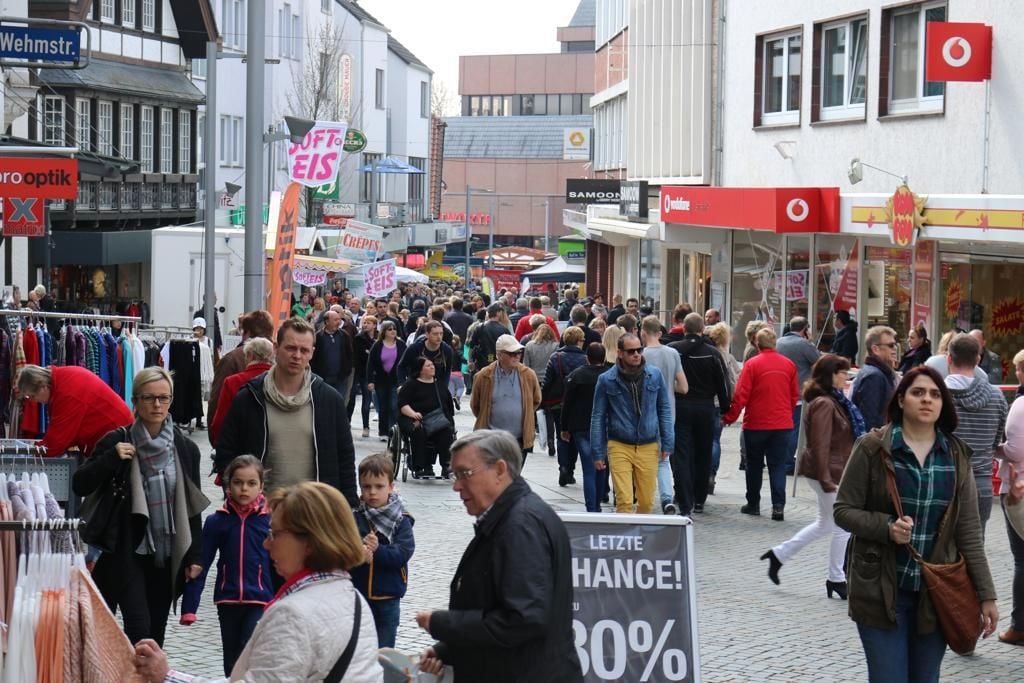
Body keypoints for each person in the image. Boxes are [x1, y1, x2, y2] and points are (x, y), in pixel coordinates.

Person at [834, 366, 999, 681]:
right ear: (900, 400)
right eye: (918, 392)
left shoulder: (954, 455)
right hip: (880, 589)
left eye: (935, 394)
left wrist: (986, 594)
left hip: (935, 593)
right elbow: (843, 510)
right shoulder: (872, 448)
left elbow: (969, 533)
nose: (927, 400)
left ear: (943, 404)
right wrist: (886, 527)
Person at [134, 482, 383, 682]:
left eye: (274, 533)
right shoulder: (352, 598)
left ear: (309, 541)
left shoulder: (294, 614)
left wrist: (166, 677)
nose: (267, 543)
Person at [414, 430, 583, 682]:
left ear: (500, 470)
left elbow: (522, 620)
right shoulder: (511, 518)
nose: (456, 485)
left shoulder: (520, 526)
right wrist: (448, 651)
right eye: (454, 474)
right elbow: (496, 610)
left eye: (464, 473)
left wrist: (444, 624)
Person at [72, 367, 208, 646]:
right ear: (135, 400)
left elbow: (192, 507)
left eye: (164, 398)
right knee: (139, 628)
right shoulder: (118, 440)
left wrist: (195, 556)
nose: (157, 405)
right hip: (125, 549)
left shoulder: (185, 448)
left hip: (166, 552)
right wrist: (111, 458)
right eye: (149, 398)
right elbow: (80, 484)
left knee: (155, 631)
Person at [216, 318, 358, 506]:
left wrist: (350, 509)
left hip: (315, 512)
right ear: (276, 348)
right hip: (260, 514)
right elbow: (227, 452)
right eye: (290, 348)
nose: (297, 355)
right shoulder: (249, 398)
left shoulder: (329, 401)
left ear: (312, 353)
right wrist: (236, 498)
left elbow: (345, 460)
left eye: (304, 350)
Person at [760, 354, 863, 598]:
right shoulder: (826, 403)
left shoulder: (833, 401)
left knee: (824, 524)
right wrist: (826, 478)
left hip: (830, 470)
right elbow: (820, 443)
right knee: (843, 526)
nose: (846, 378)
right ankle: (836, 578)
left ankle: (778, 554)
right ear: (830, 375)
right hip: (826, 472)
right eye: (842, 373)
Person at [180, 455, 273, 676]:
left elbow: (281, 564)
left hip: (260, 598)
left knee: (248, 649)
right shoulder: (217, 521)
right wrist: (189, 608)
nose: (244, 489)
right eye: (238, 482)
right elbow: (201, 563)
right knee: (231, 657)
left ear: (261, 486)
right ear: (228, 484)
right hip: (227, 598)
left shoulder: (270, 520)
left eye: (251, 483)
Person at [591, 334, 674, 514]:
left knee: (646, 502)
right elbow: (598, 416)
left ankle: (641, 539)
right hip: (619, 444)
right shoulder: (606, 380)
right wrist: (598, 452)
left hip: (648, 444)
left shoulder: (654, 375)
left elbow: (664, 409)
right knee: (625, 501)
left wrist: (668, 441)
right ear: (620, 353)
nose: (636, 354)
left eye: (639, 350)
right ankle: (625, 539)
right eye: (631, 351)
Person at [723, 327, 799, 521]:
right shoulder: (788, 365)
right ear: (775, 343)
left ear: (757, 343)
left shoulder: (752, 364)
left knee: (754, 465)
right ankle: (778, 506)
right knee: (778, 465)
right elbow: (793, 396)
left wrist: (730, 417)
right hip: (782, 424)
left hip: (756, 423)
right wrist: (786, 414)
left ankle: (754, 503)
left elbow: (741, 395)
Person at [668, 313, 731, 515]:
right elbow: (722, 383)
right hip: (705, 407)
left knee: (682, 454)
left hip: (681, 406)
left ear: (684, 329)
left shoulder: (674, 350)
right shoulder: (712, 353)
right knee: (703, 453)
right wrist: (725, 407)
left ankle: (682, 494)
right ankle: (700, 498)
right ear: (702, 329)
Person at [943, 333, 1008, 530]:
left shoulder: (936, 395)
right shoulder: (997, 397)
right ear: (978, 360)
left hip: (943, 481)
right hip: (981, 485)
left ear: (949, 359)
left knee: (938, 549)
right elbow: (995, 442)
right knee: (975, 548)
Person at [350, 454, 415, 648]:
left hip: (388, 595)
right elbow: (344, 548)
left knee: (384, 648)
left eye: (379, 486)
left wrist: (378, 551)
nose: (372, 492)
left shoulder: (401, 519)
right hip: (358, 594)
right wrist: (359, 553)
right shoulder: (355, 516)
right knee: (359, 648)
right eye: (366, 486)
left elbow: (403, 552)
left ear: (391, 486)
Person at [17, 364, 133, 457]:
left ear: (43, 386)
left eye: (32, 396)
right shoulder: (63, 378)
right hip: (115, 431)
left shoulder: (66, 393)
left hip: (116, 437)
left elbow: (57, 442)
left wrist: (34, 453)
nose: (33, 401)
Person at [641, 315, 689, 515]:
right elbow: (684, 388)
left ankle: (642, 497)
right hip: (669, 412)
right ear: (659, 333)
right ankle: (667, 498)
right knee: (663, 459)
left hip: (644, 413)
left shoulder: (640, 355)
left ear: (642, 333)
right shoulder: (673, 353)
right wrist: (668, 387)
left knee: (642, 457)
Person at [471, 335, 542, 466]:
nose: (516, 356)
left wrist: (524, 414)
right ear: (499, 355)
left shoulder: (528, 374)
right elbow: (476, 405)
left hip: (518, 439)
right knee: (493, 479)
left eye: (518, 353)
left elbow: (536, 400)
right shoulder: (484, 375)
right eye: (511, 353)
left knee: (513, 480)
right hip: (491, 438)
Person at [207, 310, 274, 445]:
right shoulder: (281, 359)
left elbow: (216, 403)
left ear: (246, 332)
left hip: (236, 443)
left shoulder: (231, 359)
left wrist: (216, 442)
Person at [562, 342, 613, 512]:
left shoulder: (576, 376)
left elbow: (567, 403)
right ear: (604, 357)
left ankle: (592, 507)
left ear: (587, 357)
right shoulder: (610, 375)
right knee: (601, 465)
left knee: (589, 468)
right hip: (605, 426)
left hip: (580, 426)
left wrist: (564, 427)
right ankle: (599, 499)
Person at [996, 348, 1024, 645]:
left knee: (1022, 560)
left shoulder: (1021, 404)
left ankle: (1020, 626)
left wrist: (996, 449)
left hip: (1019, 488)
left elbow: (1015, 450)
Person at [776, 317, 822, 475]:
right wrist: (811, 342)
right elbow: (819, 361)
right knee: (795, 429)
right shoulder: (803, 344)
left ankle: (780, 459)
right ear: (805, 329)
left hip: (781, 392)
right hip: (799, 394)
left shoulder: (779, 342)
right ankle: (788, 463)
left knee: (783, 428)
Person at [399, 357, 456, 478]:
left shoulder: (439, 385)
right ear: (420, 370)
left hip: (436, 419)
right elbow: (402, 404)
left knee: (445, 431)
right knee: (418, 431)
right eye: (428, 366)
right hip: (415, 418)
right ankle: (421, 466)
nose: (432, 367)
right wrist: (413, 414)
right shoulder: (410, 385)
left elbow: (448, 407)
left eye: (432, 365)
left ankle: (446, 465)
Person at [542, 326, 588, 462]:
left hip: (558, 402)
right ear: (579, 341)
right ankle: (570, 468)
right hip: (578, 404)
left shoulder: (556, 357)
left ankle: (562, 466)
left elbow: (547, 381)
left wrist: (543, 400)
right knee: (574, 435)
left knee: (561, 434)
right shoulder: (585, 359)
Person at [705, 322, 740, 494]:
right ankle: (711, 474)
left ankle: (701, 473)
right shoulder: (727, 357)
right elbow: (734, 381)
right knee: (714, 440)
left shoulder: (706, 352)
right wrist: (730, 402)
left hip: (704, 401)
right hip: (719, 403)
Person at [851, 325, 900, 431]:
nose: (895, 349)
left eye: (895, 345)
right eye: (891, 345)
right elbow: (870, 421)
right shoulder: (873, 376)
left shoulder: (881, 373)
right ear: (875, 349)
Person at [523, 318, 559, 457]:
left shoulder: (529, 346)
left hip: (534, 381)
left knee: (532, 413)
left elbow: (526, 366)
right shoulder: (555, 346)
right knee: (548, 413)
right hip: (549, 383)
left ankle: (529, 442)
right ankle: (550, 439)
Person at [367, 320, 407, 442]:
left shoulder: (401, 345)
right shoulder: (377, 345)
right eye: (389, 329)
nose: (393, 331)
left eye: (394, 329)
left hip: (397, 381)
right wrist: (370, 381)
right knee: (383, 407)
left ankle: (394, 430)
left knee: (394, 406)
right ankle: (383, 432)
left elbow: (406, 363)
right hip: (381, 380)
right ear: (384, 331)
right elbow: (370, 364)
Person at [310, 309, 355, 404]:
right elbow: (313, 358)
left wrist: (347, 371)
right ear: (326, 322)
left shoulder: (344, 335)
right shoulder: (318, 337)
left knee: (339, 403)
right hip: (323, 378)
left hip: (341, 378)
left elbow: (350, 355)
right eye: (335, 320)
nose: (338, 322)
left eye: (339, 319)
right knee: (324, 403)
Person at [400, 320, 457, 391]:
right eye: (435, 334)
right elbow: (401, 366)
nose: (439, 337)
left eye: (441, 333)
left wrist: (444, 387)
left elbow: (447, 371)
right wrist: (402, 384)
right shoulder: (415, 348)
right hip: (415, 386)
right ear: (427, 334)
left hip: (436, 387)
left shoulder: (447, 350)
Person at [349, 314, 378, 438]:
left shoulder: (378, 337)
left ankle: (366, 426)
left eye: (368, 323)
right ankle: (347, 421)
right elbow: (358, 355)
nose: (365, 325)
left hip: (370, 374)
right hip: (358, 372)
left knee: (367, 401)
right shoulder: (359, 338)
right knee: (351, 399)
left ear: (374, 325)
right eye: (364, 322)